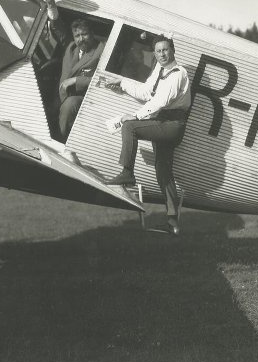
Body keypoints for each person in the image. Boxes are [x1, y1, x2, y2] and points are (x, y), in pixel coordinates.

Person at [104, 35, 191, 234]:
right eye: (158, 51)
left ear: (173, 51)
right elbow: (145, 92)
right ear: (155, 53)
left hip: (172, 124)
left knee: (129, 127)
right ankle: (173, 223)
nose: (162, 54)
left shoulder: (177, 73)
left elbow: (159, 102)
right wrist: (123, 82)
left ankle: (127, 173)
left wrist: (133, 116)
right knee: (163, 170)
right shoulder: (160, 71)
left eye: (166, 50)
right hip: (163, 122)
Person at [56, 18, 104, 139]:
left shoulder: (101, 50)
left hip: (84, 99)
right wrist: (51, 6)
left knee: (69, 105)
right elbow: (58, 30)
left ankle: (61, 141)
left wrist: (76, 80)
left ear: (92, 33)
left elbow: (103, 80)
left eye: (84, 34)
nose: (81, 39)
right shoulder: (72, 47)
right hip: (61, 96)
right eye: (77, 35)